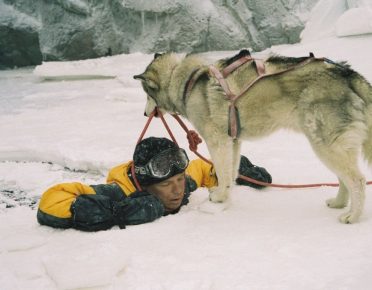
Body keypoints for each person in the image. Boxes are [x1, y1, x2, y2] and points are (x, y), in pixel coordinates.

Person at [37, 137, 272, 231]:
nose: (178, 189)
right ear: (144, 183)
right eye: (167, 184)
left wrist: (240, 169)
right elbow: (51, 202)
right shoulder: (119, 192)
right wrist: (123, 212)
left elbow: (206, 168)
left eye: (179, 180)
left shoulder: (185, 179)